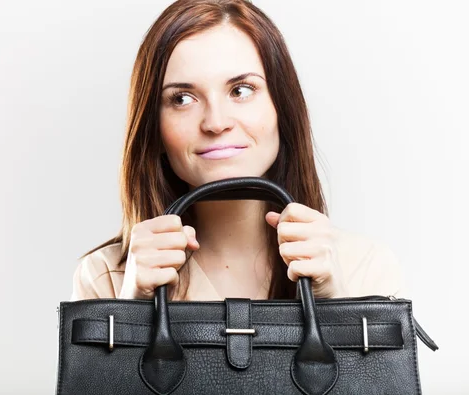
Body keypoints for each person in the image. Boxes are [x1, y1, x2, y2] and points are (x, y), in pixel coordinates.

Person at [70, 0, 405, 302]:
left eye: (241, 90)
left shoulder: (366, 268)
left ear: (282, 108)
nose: (216, 122)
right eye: (182, 99)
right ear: (153, 129)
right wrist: (132, 309)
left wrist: (336, 303)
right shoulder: (105, 278)